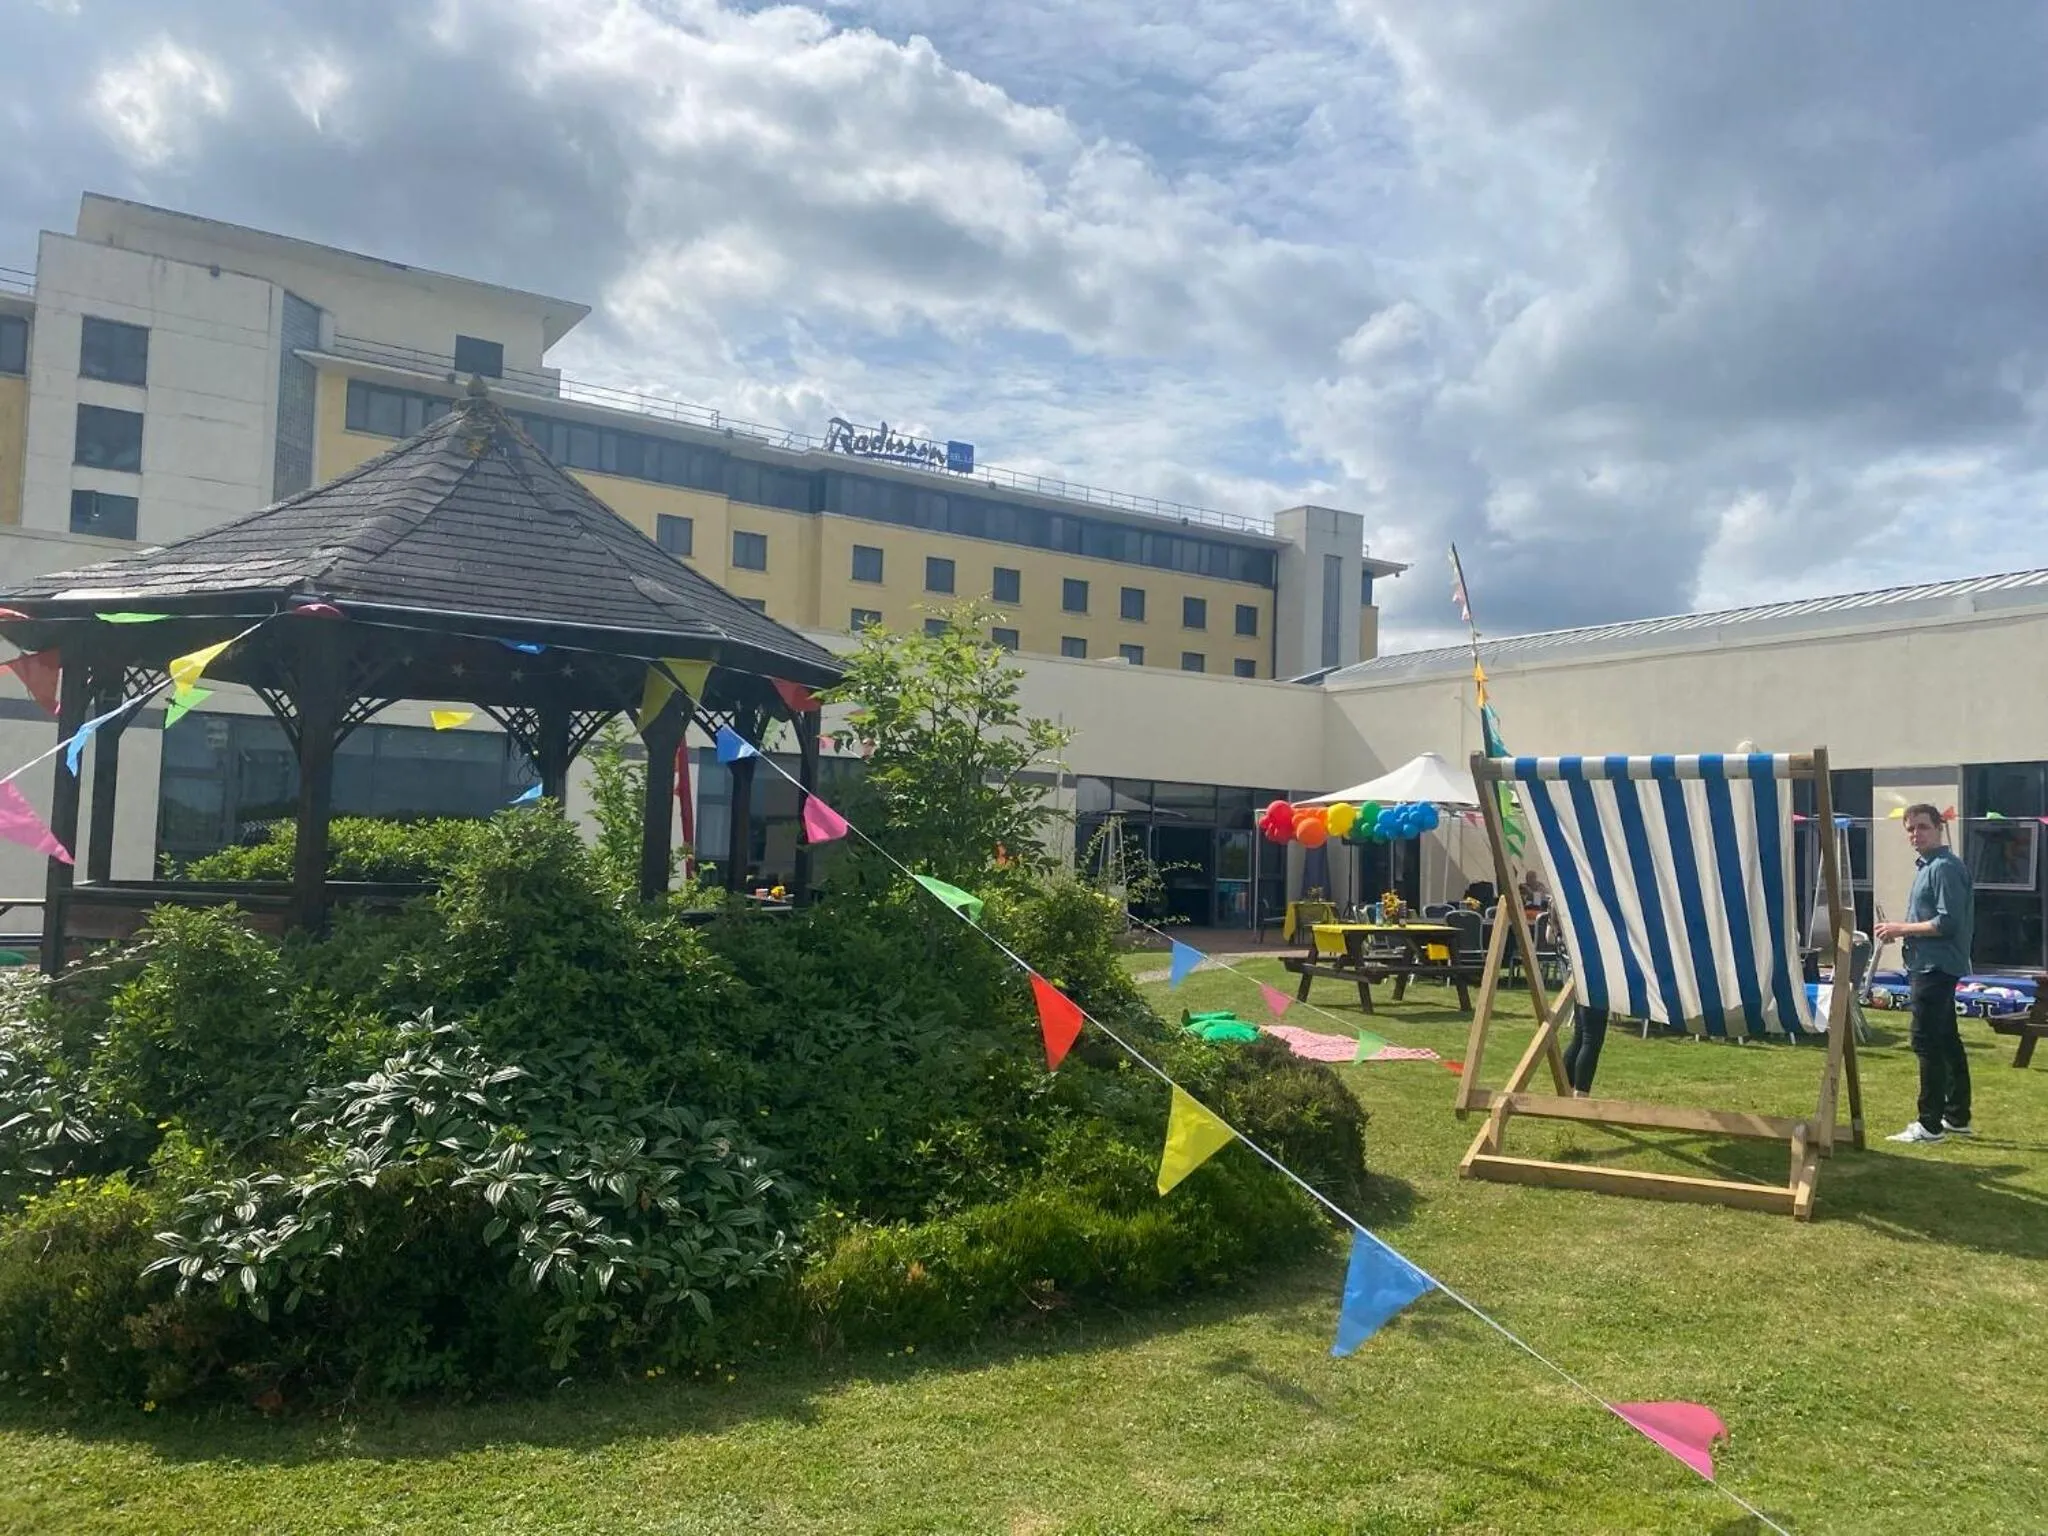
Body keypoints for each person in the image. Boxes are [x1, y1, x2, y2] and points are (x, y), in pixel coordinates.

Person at [1876, 804, 1975, 1144]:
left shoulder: (1944, 868)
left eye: (1922, 827)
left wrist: (1900, 929)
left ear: (1939, 828)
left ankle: (1929, 1124)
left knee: (1926, 1042)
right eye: (1910, 829)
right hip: (1929, 964)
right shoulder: (1928, 867)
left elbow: (1948, 922)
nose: (1915, 834)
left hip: (1936, 966)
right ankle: (1957, 1116)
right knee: (1947, 1040)